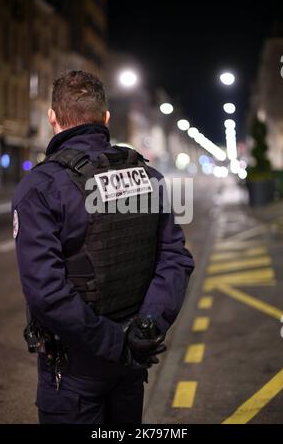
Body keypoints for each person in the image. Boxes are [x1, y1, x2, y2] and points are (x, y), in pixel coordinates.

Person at [13, 70, 194, 424]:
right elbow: (175, 258)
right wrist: (147, 327)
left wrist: (114, 342)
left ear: (53, 117)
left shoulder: (41, 186)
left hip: (75, 370)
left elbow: (46, 292)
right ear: (106, 118)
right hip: (132, 361)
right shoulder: (148, 177)